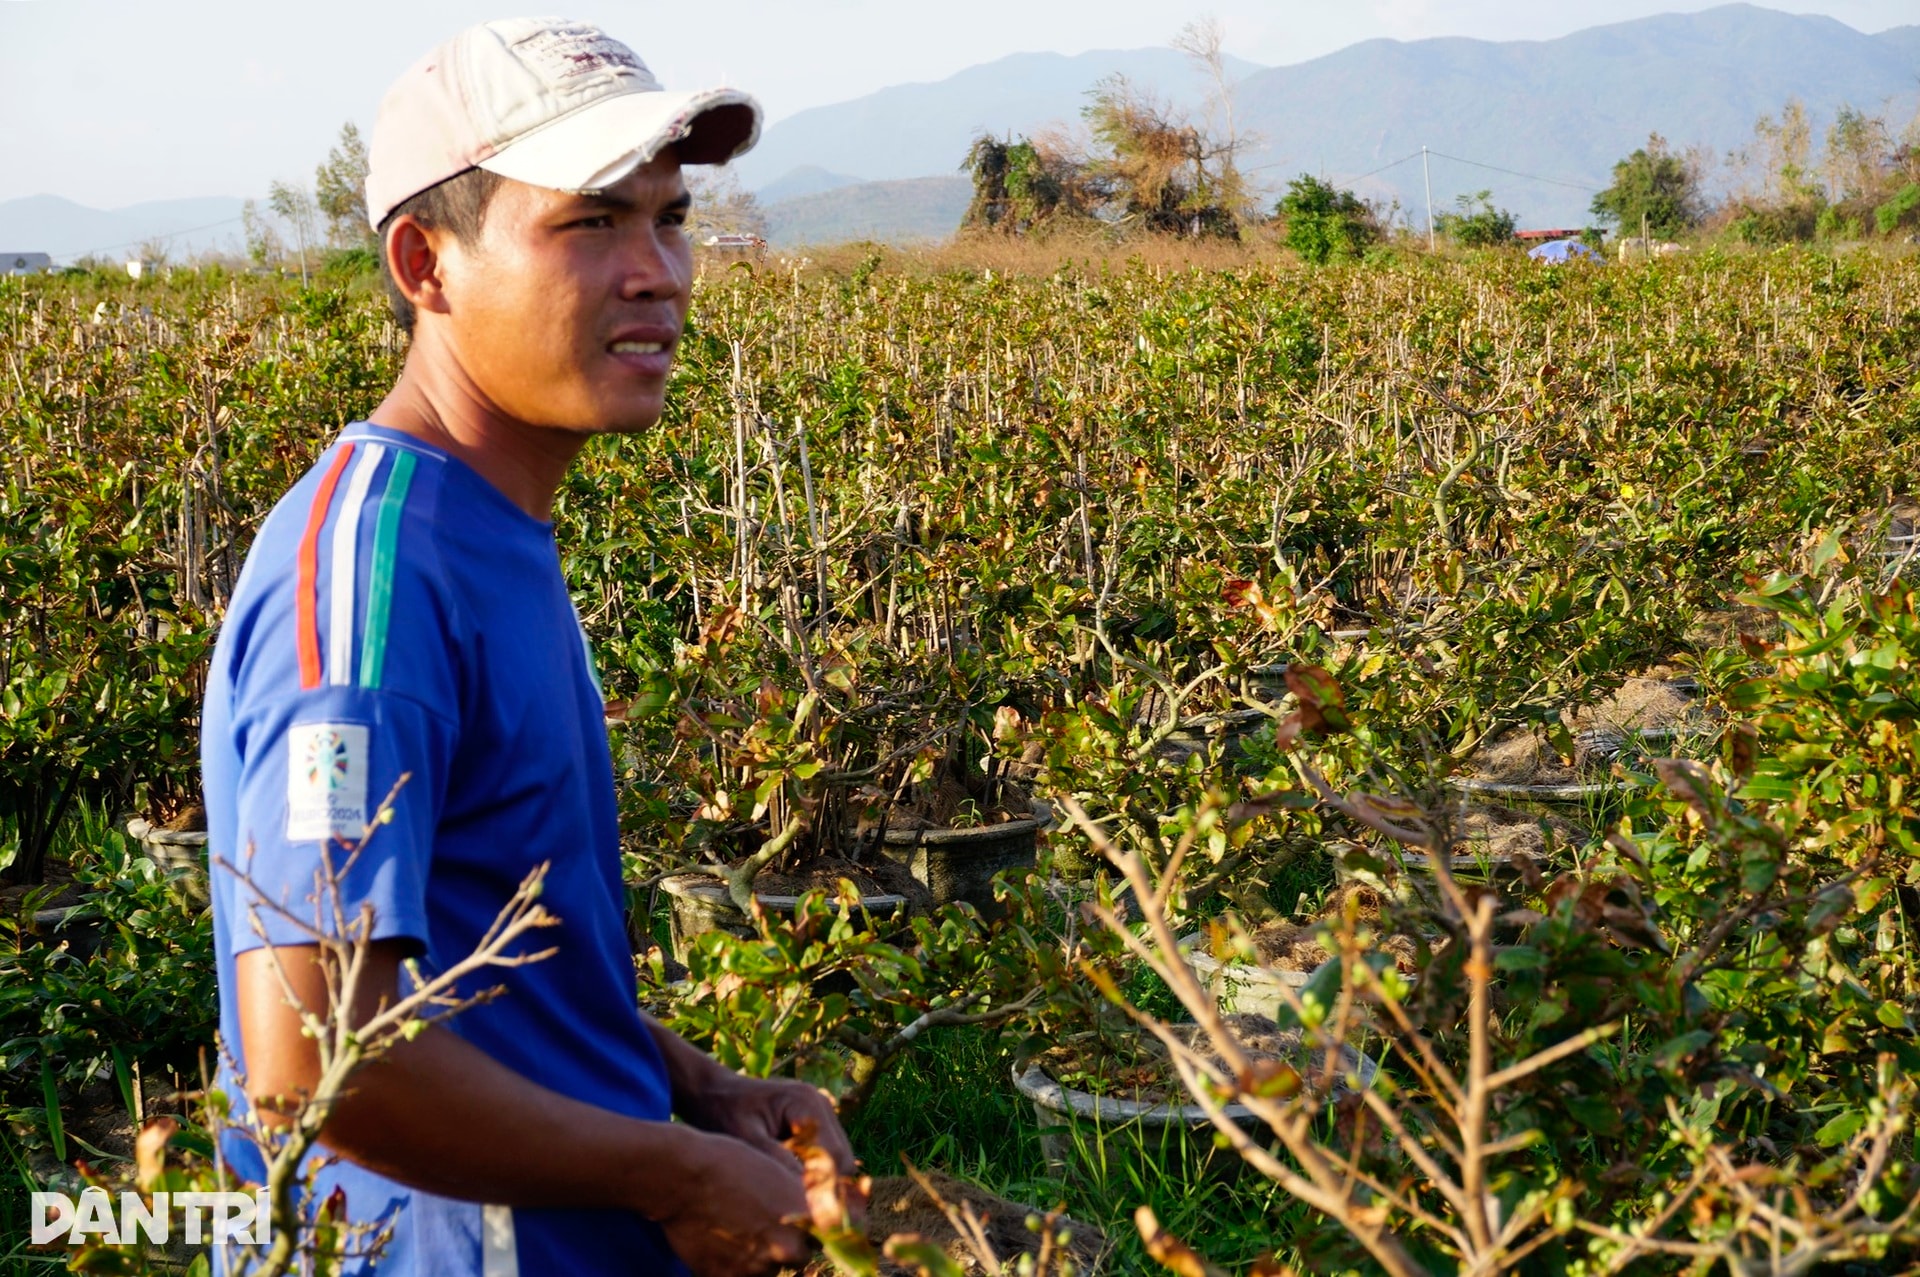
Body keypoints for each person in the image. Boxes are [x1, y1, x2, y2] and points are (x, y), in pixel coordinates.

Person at [200, 18, 854, 1276]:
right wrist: (675, 1173)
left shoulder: (483, 530)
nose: (657, 271)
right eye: (590, 223)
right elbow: (311, 1059)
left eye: (669, 218)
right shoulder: (372, 581)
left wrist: (697, 1085)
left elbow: (488, 953)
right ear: (425, 262)